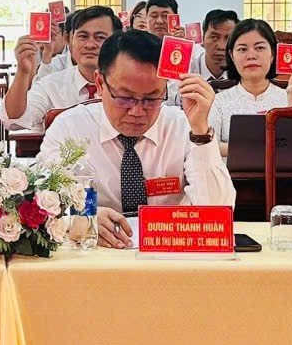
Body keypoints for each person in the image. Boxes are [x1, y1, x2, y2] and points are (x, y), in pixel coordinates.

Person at [41, 29, 234, 248]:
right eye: (125, 97)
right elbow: (41, 202)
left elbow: (219, 211)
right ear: (100, 83)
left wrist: (200, 131)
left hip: (169, 251)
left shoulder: (182, 126)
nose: (137, 111)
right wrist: (81, 218)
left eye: (152, 99)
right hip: (95, 253)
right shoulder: (69, 128)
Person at [2, 6, 121, 130]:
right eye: (83, 36)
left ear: (116, 41)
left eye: (100, 37)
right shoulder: (51, 86)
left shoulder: (129, 85)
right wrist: (22, 72)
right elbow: (14, 121)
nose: (90, 45)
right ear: (69, 40)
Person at [209, 19, 292, 153]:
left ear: (272, 54)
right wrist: (258, 148)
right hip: (230, 167)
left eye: (260, 48)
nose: (251, 56)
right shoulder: (218, 102)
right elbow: (209, 146)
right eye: (242, 49)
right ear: (232, 55)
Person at [190, 9, 239, 84]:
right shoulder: (187, 70)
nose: (221, 47)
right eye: (214, 37)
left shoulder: (242, 71)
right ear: (202, 39)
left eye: (228, 39)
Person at [35, 11, 72, 80]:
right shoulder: (34, 53)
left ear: (65, 36)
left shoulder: (72, 54)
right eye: (44, 32)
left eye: (52, 33)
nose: (48, 38)